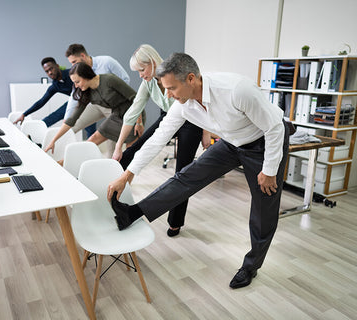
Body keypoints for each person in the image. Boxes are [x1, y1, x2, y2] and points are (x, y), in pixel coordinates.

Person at [107, 53, 289, 289]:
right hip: (233, 142)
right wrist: (126, 176)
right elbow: (157, 140)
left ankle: (251, 265)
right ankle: (132, 213)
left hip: (264, 142)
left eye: (171, 88)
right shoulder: (182, 105)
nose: (168, 95)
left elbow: (275, 127)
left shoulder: (237, 90)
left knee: (264, 207)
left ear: (191, 79)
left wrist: (270, 170)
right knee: (187, 177)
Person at [112, 44, 210, 237]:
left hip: (191, 121)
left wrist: (205, 131)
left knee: (183, 171)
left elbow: (200, 99)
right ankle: (114, 196)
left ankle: (176, 221)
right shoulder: (147, 83)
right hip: (169, 117)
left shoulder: (175, 74)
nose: (140, 74)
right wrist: (118, 146)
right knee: (130, 153)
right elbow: (133, 112)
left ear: (153, 62)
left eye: (142, 69)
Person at [43, 62, 140, 154]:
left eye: (77, 82)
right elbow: (71, 120)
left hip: (133, 116)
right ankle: (63, 164)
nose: (76, 86)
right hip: (116, 116)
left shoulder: (109, 80)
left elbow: (135, 98)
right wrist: (53, 141)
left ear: (85, 76)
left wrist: (139, 121)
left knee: (129, 152)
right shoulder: (86, 92)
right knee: (91, 141)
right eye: (74, 83)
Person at [13, 57, 96, 138]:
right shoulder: (55, 86)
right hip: (74, 102)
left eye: (51, 69)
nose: (50, 72)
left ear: (57, 66)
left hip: (89, 101)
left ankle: (93, 146)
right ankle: (33, 133)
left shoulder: (71, 73)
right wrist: (24, 114)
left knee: (90, 128)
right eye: (47, 71)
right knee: (55, 115)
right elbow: (41, 102)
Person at [63, 44, 132, 137]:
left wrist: (114, 100)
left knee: (112, 139)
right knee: (70, 127)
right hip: (96, 104)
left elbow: (125, 79)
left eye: (74, 61)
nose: (73, 65)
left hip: (114, 107)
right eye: (71, 63)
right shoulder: (78, 71)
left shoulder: (107, 62)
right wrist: (67, 118)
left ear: (83, 56)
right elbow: (74, 96)